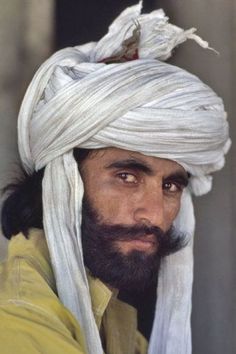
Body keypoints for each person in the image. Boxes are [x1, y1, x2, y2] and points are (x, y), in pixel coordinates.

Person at [0, 2, 230, 354]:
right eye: (126, 176)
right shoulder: (19, 323)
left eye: (170, 186)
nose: (153, 214)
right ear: (63, 182)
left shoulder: (110, 315)